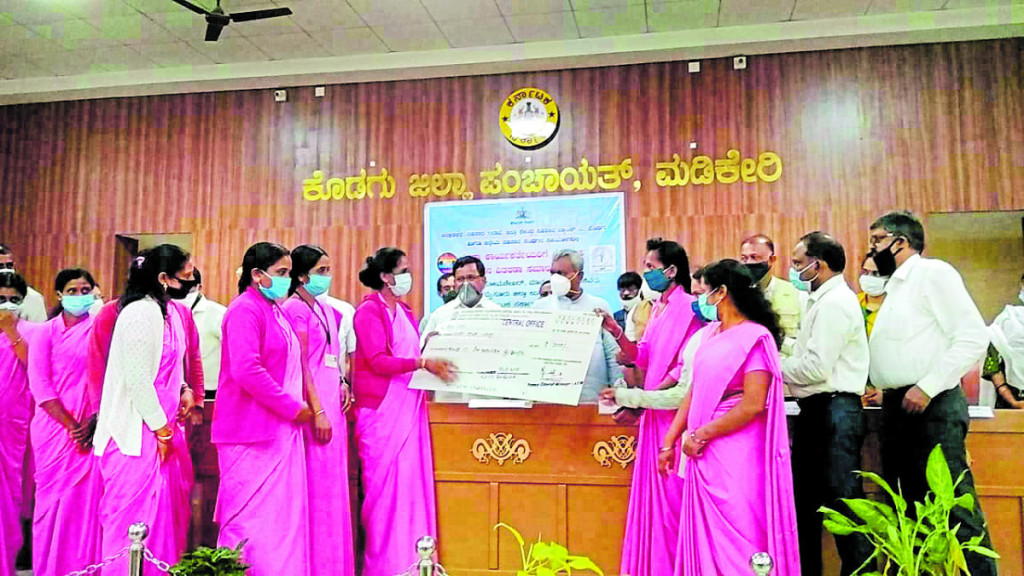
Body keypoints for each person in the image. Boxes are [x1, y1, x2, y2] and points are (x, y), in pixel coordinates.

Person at [867, 211, 996, 575]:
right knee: (910, 507)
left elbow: (973, 337)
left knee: (953, 505)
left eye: (876, 240)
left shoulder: (932, 274)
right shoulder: (895, 286)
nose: (872, 249)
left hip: (932, 405)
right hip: (898, 406)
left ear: (900, 242)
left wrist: (927, 385)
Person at [659, 259, 799, 576]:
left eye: (704, 291)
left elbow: (752, 404)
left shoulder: (755, 337)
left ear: (722, 292)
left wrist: (702, 434)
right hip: (701, 447)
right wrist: (670, 440)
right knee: (704, 536)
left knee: (740, 526)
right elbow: (695, 390)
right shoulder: (711, 336)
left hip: (735, 446)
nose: (700, 299)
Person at [598, 238, 702, 576]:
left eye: (651, 267)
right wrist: (615, 330)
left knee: (672, 503)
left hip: (674, 415)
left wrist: (645, 398)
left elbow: (682, 369)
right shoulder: (657, 308)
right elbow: (642, 355)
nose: (646, 273)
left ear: (671, 271)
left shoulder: (690, 308)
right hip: (653, 413)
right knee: (655, 505)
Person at [92, 245, 197, 575]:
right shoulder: (139, 312)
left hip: (161, 432)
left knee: (162, 522)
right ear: (164, 278)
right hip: (135, 437)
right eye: (186, 273)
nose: (192, 278)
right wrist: (161, 430)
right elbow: (138, 381)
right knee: (131, 524)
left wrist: (184, 390)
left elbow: (171, 367)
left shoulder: (169, 313)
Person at [352, 247, 456, 576]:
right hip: (382, 413)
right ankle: (384, 566)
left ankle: (416, 559)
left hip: (409, 407)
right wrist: (423, 361)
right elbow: (378, 361)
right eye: (404, 269)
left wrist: (430, 348)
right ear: (386, 276)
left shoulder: (406, 311)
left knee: (411, 486)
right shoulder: (368, 311)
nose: (409, 275)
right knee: (385, 496)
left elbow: (407, 353)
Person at [214, 242, 315, 576]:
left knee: (280, 521)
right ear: (257, 275)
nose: (289, 280)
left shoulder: (274, 309)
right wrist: (291, 407)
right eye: (281, 273)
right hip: (251, 435)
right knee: (250, 523)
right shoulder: (245, 309)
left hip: (280, 431)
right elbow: (246, 370)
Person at [781, 233, 873, 576]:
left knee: (844, 505)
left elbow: (815, 367)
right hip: (817, 411)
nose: (793, 270)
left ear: (816, 265)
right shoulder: (818, 301)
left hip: (835, 411)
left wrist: (772, 369)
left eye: (797, 262)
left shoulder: (835, 303)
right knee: (805, 506)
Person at [281, 245, 355, 576]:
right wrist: (319, 410)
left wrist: (342, 382)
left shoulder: (327, 311)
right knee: (317, 490)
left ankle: (334, 565)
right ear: (301, 275)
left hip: (332, 401)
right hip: (315, 408)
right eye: (321, 270)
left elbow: (332, 358)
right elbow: (302, 365)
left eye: (329, 269)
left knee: (334, 488)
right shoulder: (294, 310)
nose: (328, 276)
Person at [27, 269, 103, 576]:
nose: (79, 295)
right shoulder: (45, 332)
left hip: (94, 427)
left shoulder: (100, 329)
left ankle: (86, 568)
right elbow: (40, 385)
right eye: (72, 290)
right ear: (59, 295)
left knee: (85, 505)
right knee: (53, 503)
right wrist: (73, 426)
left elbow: (108, 376)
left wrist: (95, 419)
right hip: (55, 428)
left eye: (85, 289)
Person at [533, 249, 622, 403]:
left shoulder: (599, 305)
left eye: (562, 273)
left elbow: (612, 354)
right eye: (553, 273)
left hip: (592, 397)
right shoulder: (540, 307)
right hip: (549, 398)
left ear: (579, 276)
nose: (556, 278)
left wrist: (619, 391)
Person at [0, 272, 33, 576]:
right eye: (1, 299)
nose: (7, 304)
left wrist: (12, 333)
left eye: (14, 299)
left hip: (13, 431)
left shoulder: (32, 331)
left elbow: (34, 368)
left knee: (8, 503)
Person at [421, 256, 502, 348]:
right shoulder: (441, 314)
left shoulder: (497, 313)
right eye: (460, 279)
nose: (465, 284)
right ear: (455, 282)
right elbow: (422, 350)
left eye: (471, 278)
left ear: (483, 281)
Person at [740, 234, 803, 350]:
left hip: (786, 359)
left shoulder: (794, 292)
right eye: (744, 258)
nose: (748, 263)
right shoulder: (737, 295)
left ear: (772, 259)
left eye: (754, 257)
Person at [177, 269, 227, 402]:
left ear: (199, 287)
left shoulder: (218, 313)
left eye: (188, 287)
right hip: (176, 389)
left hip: (210, 393)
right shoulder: (169, 312)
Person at [984, 273, 1024, 409]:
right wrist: (1013, 402)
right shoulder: (1007, 320)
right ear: (1022, 286)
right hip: (1010, 402)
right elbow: (993, 364)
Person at [858, 254, 887, 407]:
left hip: (889, 389)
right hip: (856, 389)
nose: (869, 278)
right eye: (866, 272)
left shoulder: (898, 307)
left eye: (876, 274)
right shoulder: (852, 304)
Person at [0, 244, 47, 323]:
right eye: (0, 266)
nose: (5, 270)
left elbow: (39, 331)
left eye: (9, 265)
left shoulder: (33, 297)